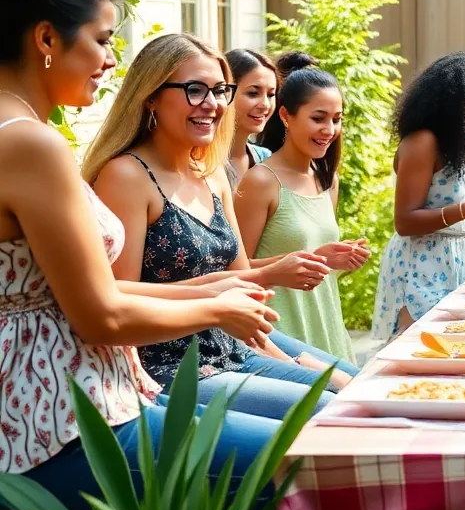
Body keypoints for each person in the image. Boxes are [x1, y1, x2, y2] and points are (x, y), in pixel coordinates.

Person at [0, 0, 280, 510]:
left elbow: (91, 295)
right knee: (303, 463)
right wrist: (214, 305)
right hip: (59, 429)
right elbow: (102, 316)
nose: (108, 61)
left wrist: (222, 298)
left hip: (83, 406)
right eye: (101, 40)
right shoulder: (28, 143)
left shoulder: (21, 132)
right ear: (47, 38)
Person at [84, 35, 353, 420]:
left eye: (220, 91)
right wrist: (213, 298)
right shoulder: (126, 175)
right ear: (150, 97)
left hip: (232, 347)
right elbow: (119, 296)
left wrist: (295, 362)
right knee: (331, 409)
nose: (212, 104)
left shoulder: (212, 176)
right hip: (168, 364)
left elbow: (242, 287)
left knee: (356, 384)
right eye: (195, 90)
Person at [373, 53, 465, 339]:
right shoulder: (422, 143)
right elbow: (404, 222)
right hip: (418, 271)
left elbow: (461, 228)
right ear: (451, 102)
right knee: (420, 356)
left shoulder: (456, 147)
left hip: (453, 266)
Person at [236, 64, 371, 363]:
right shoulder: (260, 181)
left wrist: (337, 258)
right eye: (318, 118)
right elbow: (236, 272)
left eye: (336, 120)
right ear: (285, 116)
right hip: (281, 336)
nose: (330, 130)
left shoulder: (327, 180)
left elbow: (316, 265)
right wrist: (319, 257)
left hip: (327, 327)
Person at [223, 48, 277, 189]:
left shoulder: (266, 159)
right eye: (253, 93)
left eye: (271, 94)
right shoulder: (199, 163)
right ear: (224, 92)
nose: (265, 104)